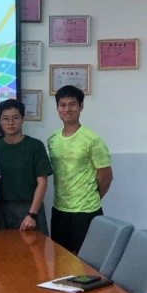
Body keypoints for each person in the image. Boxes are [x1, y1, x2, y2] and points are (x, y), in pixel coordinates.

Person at [48, 85, 113, 254]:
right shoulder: (52, 139)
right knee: (61, 258)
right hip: (59, 209)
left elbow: (106, 176)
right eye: (62, 105)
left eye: (72, 104)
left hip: (86, 211)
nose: (67, 109)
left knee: (87, 260)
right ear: (57, 108)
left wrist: (91, 197)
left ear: (81, 106)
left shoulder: (93, 139)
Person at [0, 99, 52, 236]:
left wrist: (32, 214)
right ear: (0, 121)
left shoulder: (35, 146)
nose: (10, 122)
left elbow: (42, 183)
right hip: (1, 211)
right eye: (6, 119)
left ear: (22, 119)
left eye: (15, 118)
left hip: (29, 209)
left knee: (34, 249)